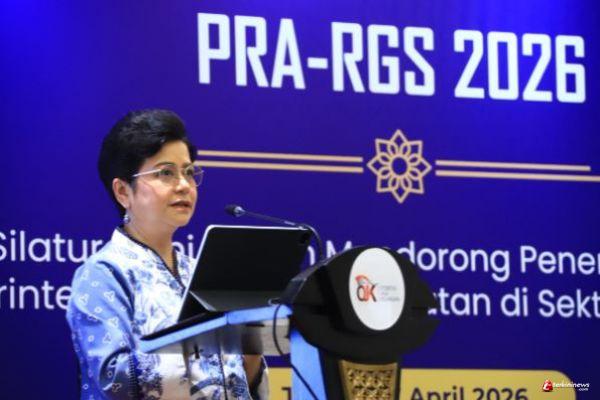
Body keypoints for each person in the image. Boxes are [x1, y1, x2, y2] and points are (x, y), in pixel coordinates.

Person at [66, 109, 267, 399]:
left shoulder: (200, 271)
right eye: (165, 173)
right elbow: (114, 378)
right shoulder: (103, 273)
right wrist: (205, 349)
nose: (184, 185)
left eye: (188, 172)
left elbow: (240, 380)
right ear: (123, 192)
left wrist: (251, 348)